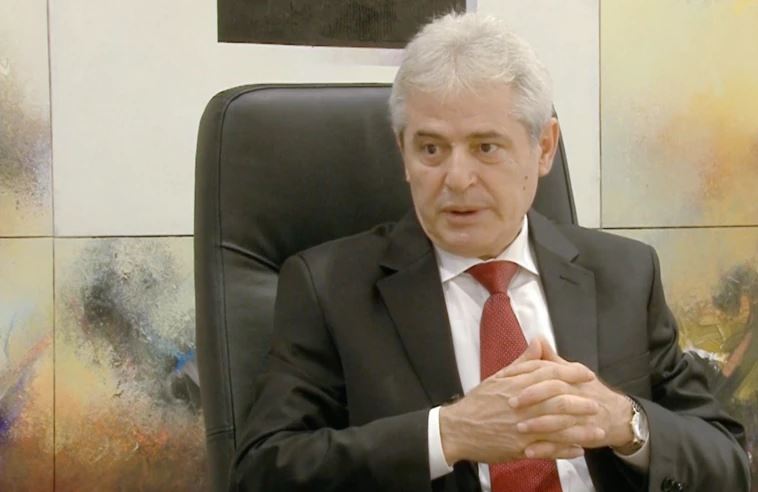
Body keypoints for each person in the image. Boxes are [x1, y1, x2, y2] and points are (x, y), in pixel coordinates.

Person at [230, 12, 749, 492]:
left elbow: (727, 460)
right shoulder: (329, 288)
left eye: (485, 147)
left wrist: (624, 422)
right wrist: (448, 433)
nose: (456, 178)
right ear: (402, 152)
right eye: (431, 149)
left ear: (543, 148)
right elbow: (262, 471)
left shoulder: (624, 273)